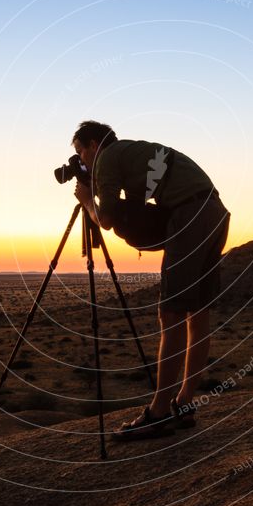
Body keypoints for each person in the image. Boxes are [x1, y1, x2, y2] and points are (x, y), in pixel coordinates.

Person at [72, 120, 231, 441]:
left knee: (170, 314)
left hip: (189, 217)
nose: (82, 161)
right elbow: (136, 212)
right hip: (214, 212)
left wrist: (88, 199)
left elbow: (105, 219)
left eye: (80, 153)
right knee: (197, 315)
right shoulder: (133, 151)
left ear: (92, 145)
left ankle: (158, 413)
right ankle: (183, 405)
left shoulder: (106, 158)